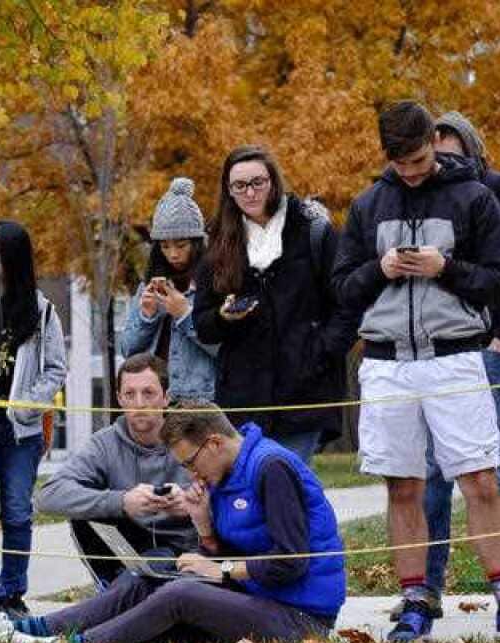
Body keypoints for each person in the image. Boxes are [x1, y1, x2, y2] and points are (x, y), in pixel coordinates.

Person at [331, 100, 500, 642]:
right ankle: (413, 602)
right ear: (388, 156)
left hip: (455, 356)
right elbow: (340, 289)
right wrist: (379, 270)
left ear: (433, 142)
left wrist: (445, 268)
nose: (412, 172)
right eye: (401, 163)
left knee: (481, 479)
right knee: (402, 486)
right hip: (386, 362)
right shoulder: (367, 205)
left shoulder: (475, 197)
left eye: (420, 159)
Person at [0, 400, 346, 643]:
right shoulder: (228, 473)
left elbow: (292, 561)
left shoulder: (271, 468)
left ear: (213, 443)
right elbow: (241, 560)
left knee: (180, 595)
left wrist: (218, 567)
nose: (191, 472)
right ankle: (33, 629)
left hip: (300, 619)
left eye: (191, 462)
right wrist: (206, 530)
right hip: (263, 600)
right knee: (147, 579)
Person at [394, 112, 500, 620]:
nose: (445, 160)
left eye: (453, 150)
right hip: (435, 350)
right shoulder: (416, 201)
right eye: (437, 152)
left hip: (489, 349)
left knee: (497, 471)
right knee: (432, 473)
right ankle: (426, 588)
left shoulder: (497, 191)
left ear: (473, 150)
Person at [193, 146, 358, 462]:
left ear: (274, 182)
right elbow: (203, 325)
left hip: (304, 390)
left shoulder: (312, 231)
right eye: (239, 186)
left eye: (258, 182)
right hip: (244, 398)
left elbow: (347, 306)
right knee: (255, 490)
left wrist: (320, 351)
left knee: (287, 481)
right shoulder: (217, 243)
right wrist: (224, 317)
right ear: (228, 191)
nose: (250, 192)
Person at [0, 220, 67, 619]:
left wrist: (29, 403)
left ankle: (13, 593)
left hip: (21, 429)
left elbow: (56, 368)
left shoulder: (42, 312)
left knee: (17, 511)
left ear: (14, 257)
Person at [35, 353, 198, 588]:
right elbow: (47, 496)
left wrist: (190, 504)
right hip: (129, 547)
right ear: (119, 399)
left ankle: (110, 602)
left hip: (186, 549)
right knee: (85, 514)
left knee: (152, 567)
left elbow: (235, 493)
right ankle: (111, 588)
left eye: (148, 393)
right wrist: (122, 501)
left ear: (166, 397)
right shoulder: (105, 443)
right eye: (130, 394)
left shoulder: (191, 437)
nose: (139, 403)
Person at [119, 178, 217, 401]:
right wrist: (147, 316)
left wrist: (184, 314)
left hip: (202, 404)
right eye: (164, 246)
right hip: (156, 402)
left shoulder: (216, 283)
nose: (173, 254)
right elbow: (127, 351)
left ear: (197, 243)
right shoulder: (150, 285)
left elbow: (225, 350)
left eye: (181, 245)